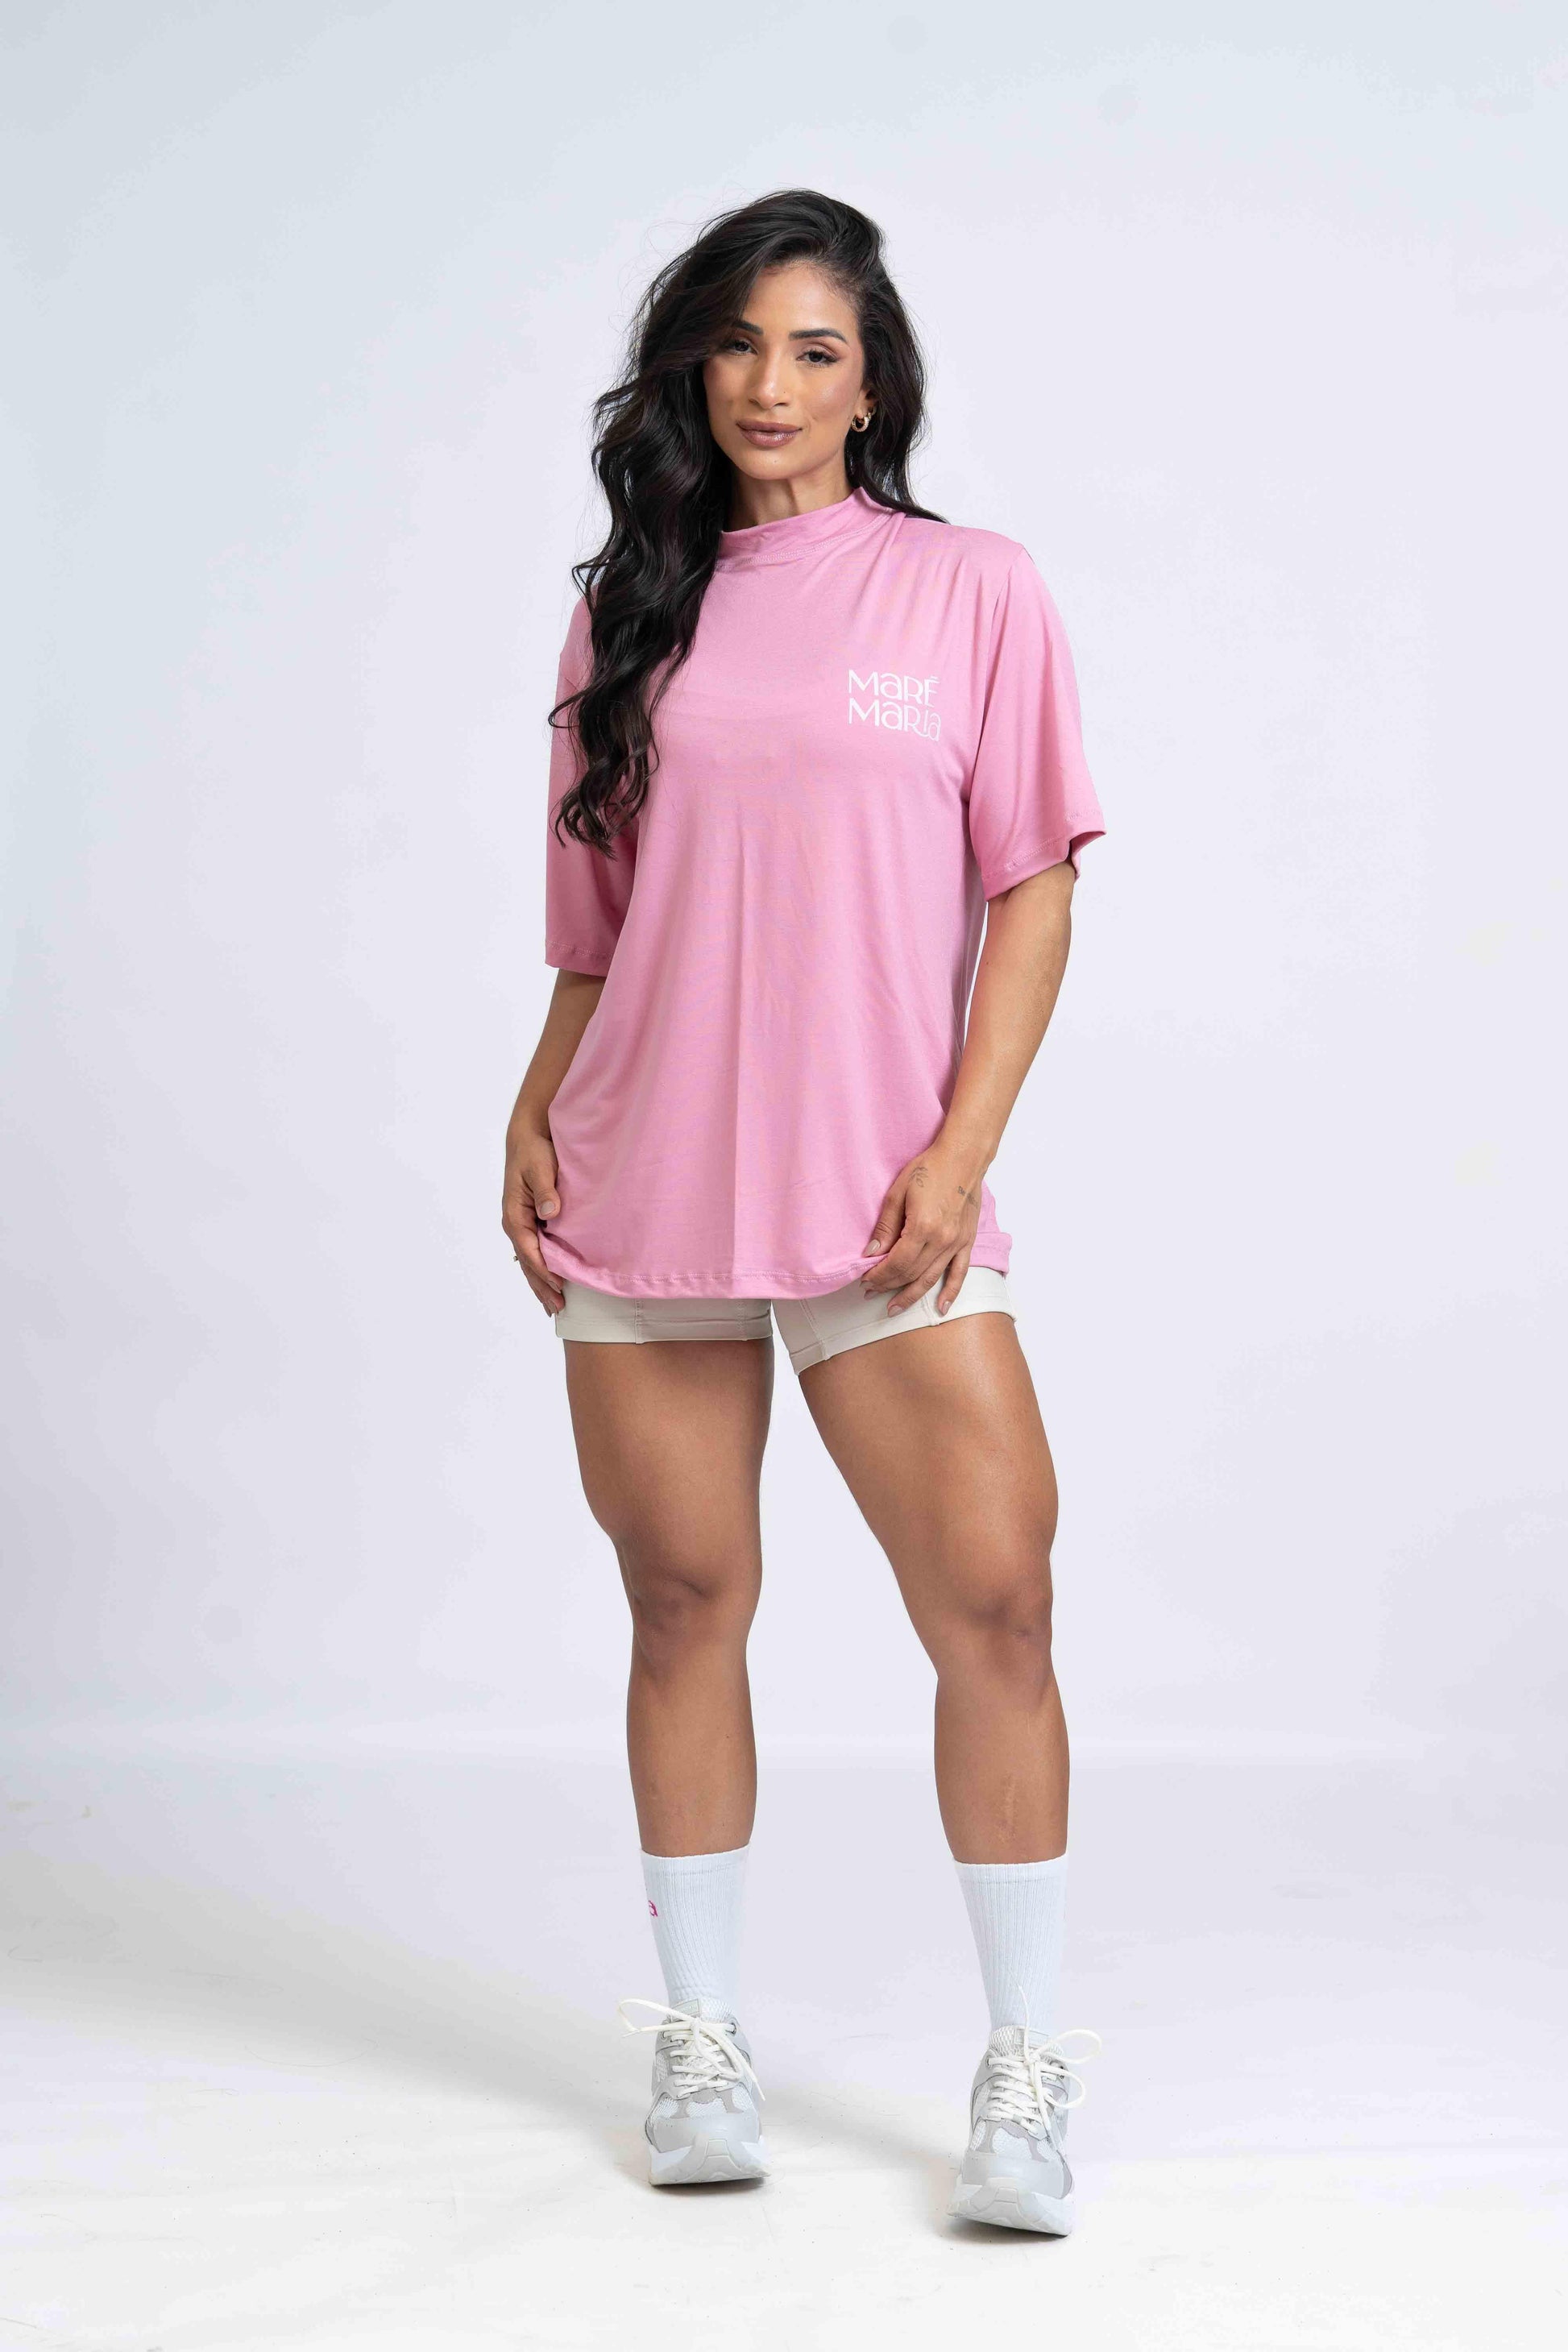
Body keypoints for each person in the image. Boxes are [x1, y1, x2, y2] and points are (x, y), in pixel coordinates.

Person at [502, 189, 1105, 2235]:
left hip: (881, 1191)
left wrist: (958, 1144)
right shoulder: (631, 610)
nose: (769, 383)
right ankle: (700, 2042)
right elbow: (596, 925)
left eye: (814, 349)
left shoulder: (971, 590)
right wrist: (533, 1101)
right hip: (645, 1166)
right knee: (684, 1601)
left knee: (997, 1602)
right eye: (739, 343)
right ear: (694, 368)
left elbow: (1033, 886)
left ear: (871, 383)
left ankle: (1021, 2070)